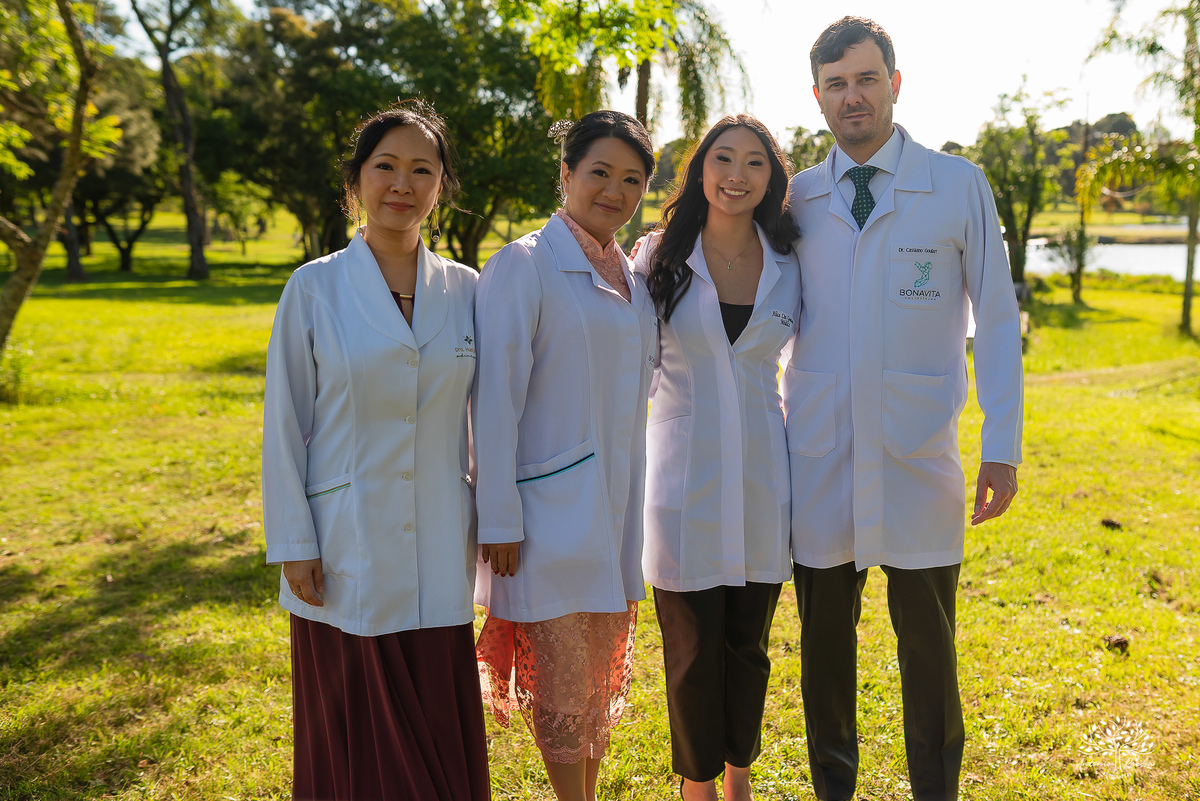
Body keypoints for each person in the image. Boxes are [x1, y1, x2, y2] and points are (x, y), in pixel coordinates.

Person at [782, 17, 1024, 801]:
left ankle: (935, 789)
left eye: (865, 79)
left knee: (930, 647)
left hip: (920, 456)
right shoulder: (796, 197)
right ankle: (833, 788)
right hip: (820, 456)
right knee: (824, 651)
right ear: (817, 96)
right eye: (836, 84)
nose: (851, 96)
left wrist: (1002, 443)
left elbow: (996, 319)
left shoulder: (956, 185)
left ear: (895, 83)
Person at [262, 102, 488, 801]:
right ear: (356, 179)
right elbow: (283, 422)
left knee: (435, 732)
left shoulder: (468, 290)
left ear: (441, 186)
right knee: (358, 745)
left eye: (422, 169)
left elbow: (492, 418)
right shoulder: (315, 287)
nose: (402, 183)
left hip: (439, 541)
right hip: (345, 545)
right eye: (385, 165)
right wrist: (294, 540)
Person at [472, 110, 658, 801]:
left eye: (632, 179)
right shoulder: (523, 265)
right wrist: (499, 516)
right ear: (566, 173)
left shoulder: (632, 276)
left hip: (615, 511)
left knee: (594, 681)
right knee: (560, 682)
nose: (614, 190)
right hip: (544, 516)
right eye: (600, 172)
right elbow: (494, 400)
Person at [635, 114, 800, 801]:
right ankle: (696, 787)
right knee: (692, 652)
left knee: (748, 647)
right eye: (723, 158)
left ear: (772, 178)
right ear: (700, 170)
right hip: (682, 482)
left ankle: (740, 780)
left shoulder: (791, 263)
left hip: (764, 479)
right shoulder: (657, 256)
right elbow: (631, 368)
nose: (737, 175)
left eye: (755, 162)